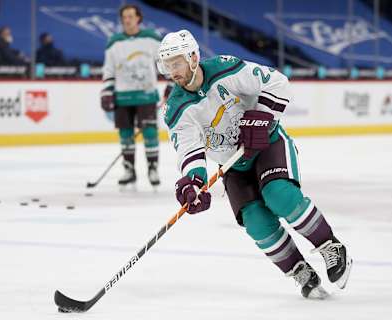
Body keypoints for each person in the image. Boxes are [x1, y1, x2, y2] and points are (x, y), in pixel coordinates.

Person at [158, 30, 353, 299]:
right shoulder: (176, 108)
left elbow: (277, 82)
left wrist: (262, 117)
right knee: (255, 221)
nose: (172, 71)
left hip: (267, 145)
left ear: (193, 57)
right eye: (167, 66)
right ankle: (299, 270)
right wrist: (194, 182)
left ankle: (330, 246)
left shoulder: (226, 69)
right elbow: (189, 148)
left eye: (176, 63)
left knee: (279, 196)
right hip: (233, 165)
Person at [101, 4, 164, 189]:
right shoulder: (114, 42)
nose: (127, 20)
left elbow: (164, 62)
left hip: (146, 96)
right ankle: (129, 170)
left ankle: (153, 169)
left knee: (150, 133)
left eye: (130, 16)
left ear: (138, 18)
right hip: (123, 96)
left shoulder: (151, 38)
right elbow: (109, 69)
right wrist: (106, 91)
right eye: (124, 17)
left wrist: (171, 83)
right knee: (125, 134)